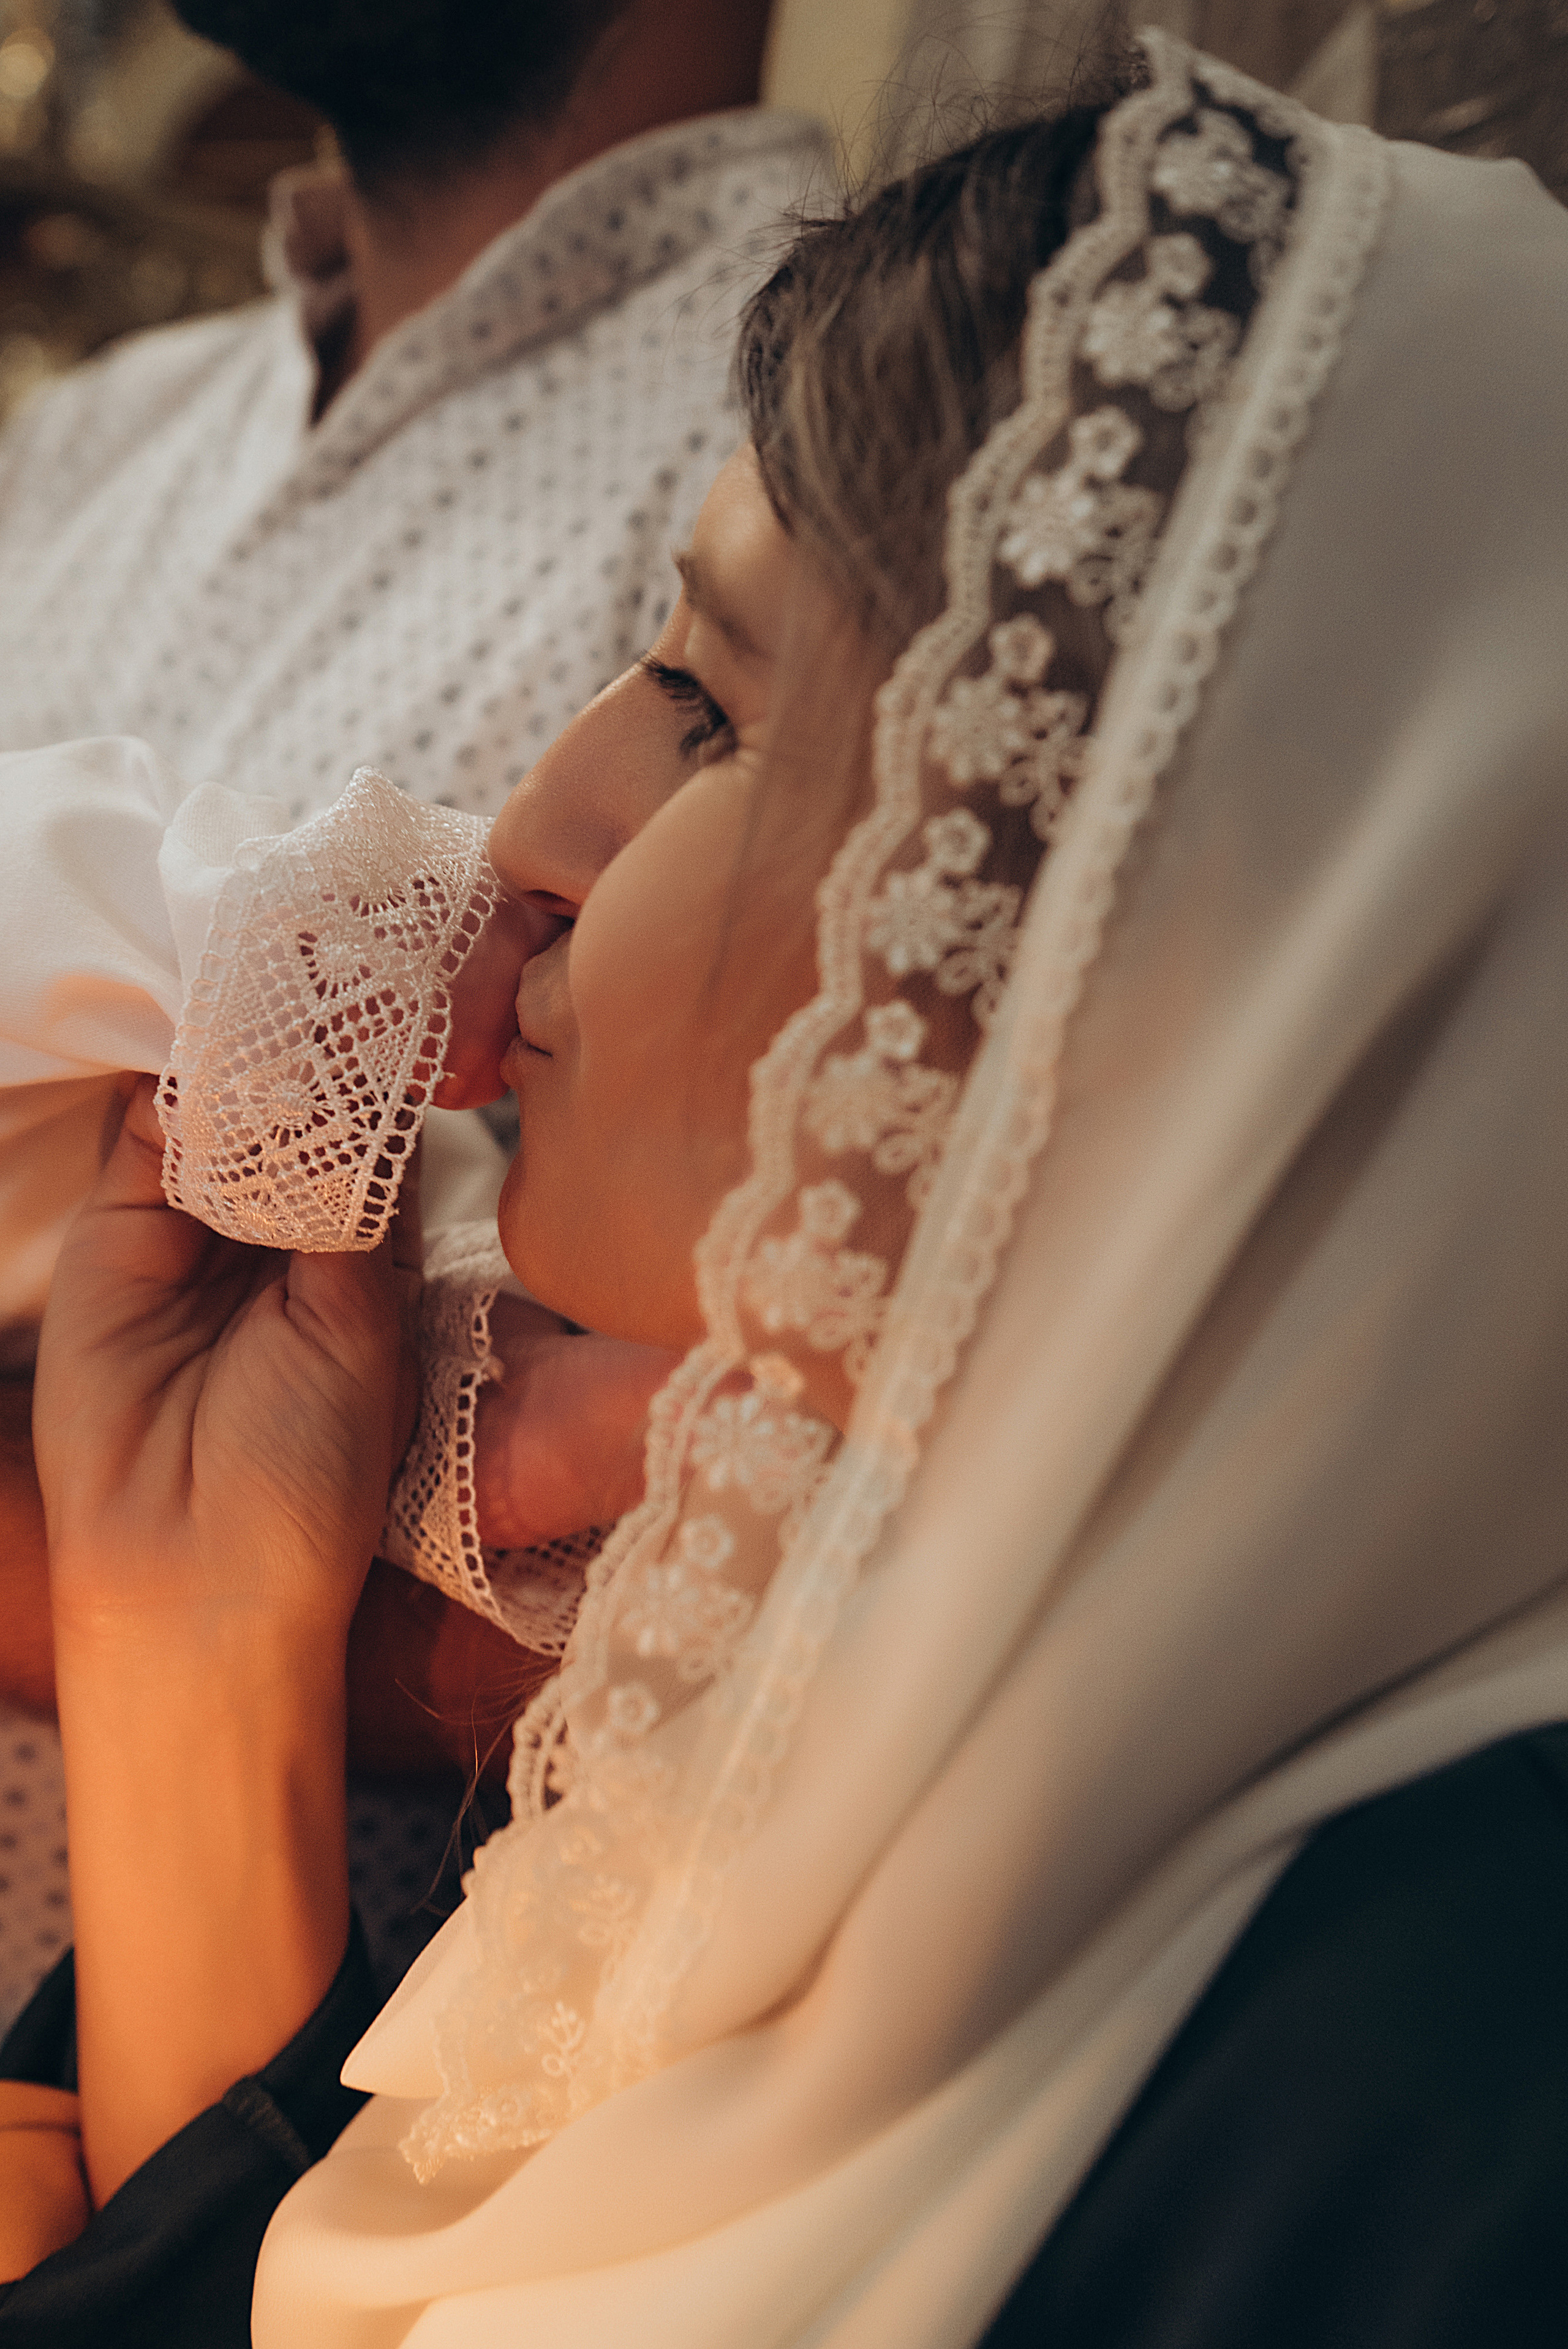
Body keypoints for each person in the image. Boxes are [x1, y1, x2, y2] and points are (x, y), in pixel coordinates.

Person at [4, 26, 1568, 2341]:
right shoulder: (712, 1779)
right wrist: (198, 1639)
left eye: (714, 708)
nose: (529, 836)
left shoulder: (1439, 2136)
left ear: (1189, 958)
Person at [0, 0, 826, 2010]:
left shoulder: (832, 457)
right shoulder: (98, 430)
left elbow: (721, 1532)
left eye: (689, 706)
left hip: (293, 2140)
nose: (538, 834)